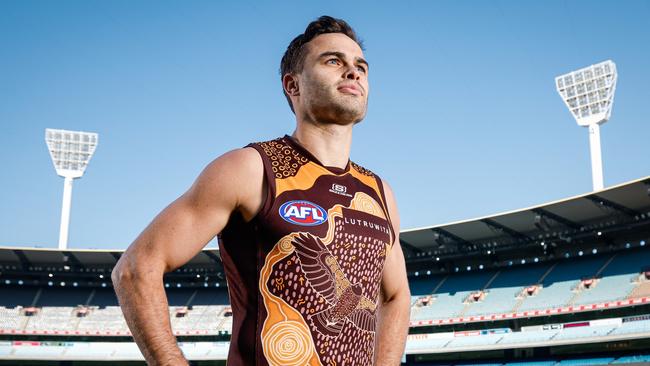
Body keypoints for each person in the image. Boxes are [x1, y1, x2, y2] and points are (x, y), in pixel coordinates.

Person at [112, 15, 411, 366]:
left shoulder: (379, 191)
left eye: (361, 66)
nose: (353, 72)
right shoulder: (250, 168)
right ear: (292, 85)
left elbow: (396, 296)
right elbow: (135, 268)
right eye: (333, 61)